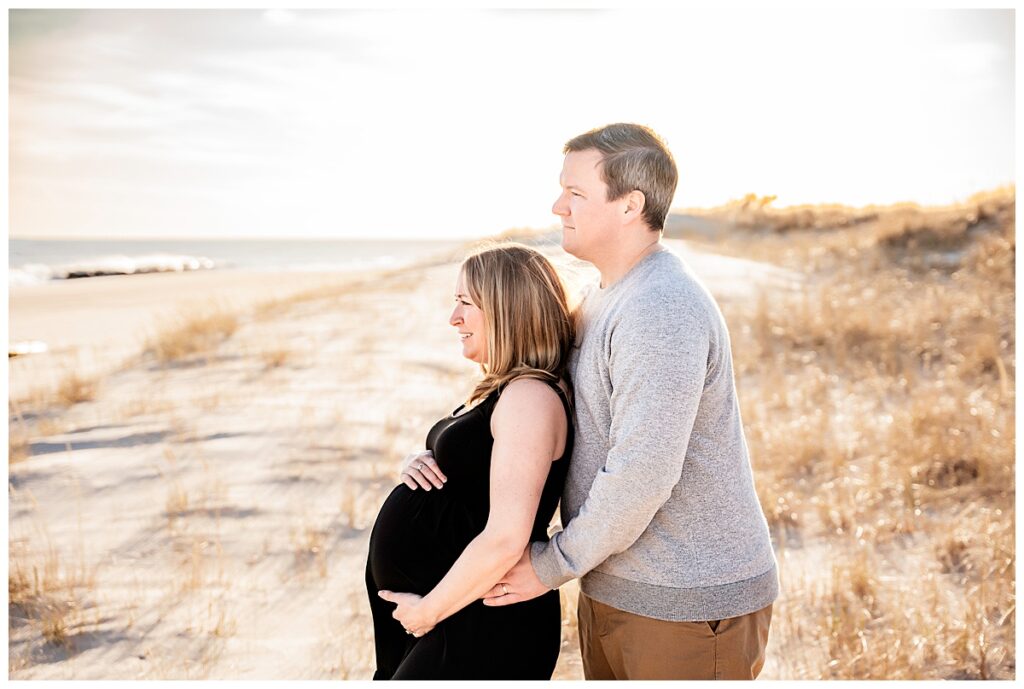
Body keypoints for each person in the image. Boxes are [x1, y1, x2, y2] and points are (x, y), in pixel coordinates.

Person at [481, 123, 780, 680]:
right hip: (622, 587)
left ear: (629, 206)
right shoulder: (605, 297)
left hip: (688, 602)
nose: (557, 205)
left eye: (575, 193)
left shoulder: (659, 306)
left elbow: (641, 472)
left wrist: (550, 565)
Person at [364, 243, 575, 679]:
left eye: (465, 303)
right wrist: (420, 460)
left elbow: (505, 537)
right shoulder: (504, 388)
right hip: (452, 611)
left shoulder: (530, 398)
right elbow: (476, 476)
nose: (453, 318)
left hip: (479, 621)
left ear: (506, 309)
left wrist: (428, 612)